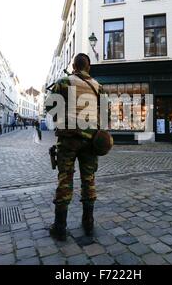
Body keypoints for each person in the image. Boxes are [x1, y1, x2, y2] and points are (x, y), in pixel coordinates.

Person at [46, 53, 106, 241]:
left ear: (73, 65)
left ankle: (60, 226)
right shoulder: (99, 87)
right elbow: (104, 113)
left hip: (68, 140)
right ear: (88, 68)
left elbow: (49, 106)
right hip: (91, 141)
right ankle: (88, 222)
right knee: (89, 180)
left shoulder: (64, 82)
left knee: (65, 179)